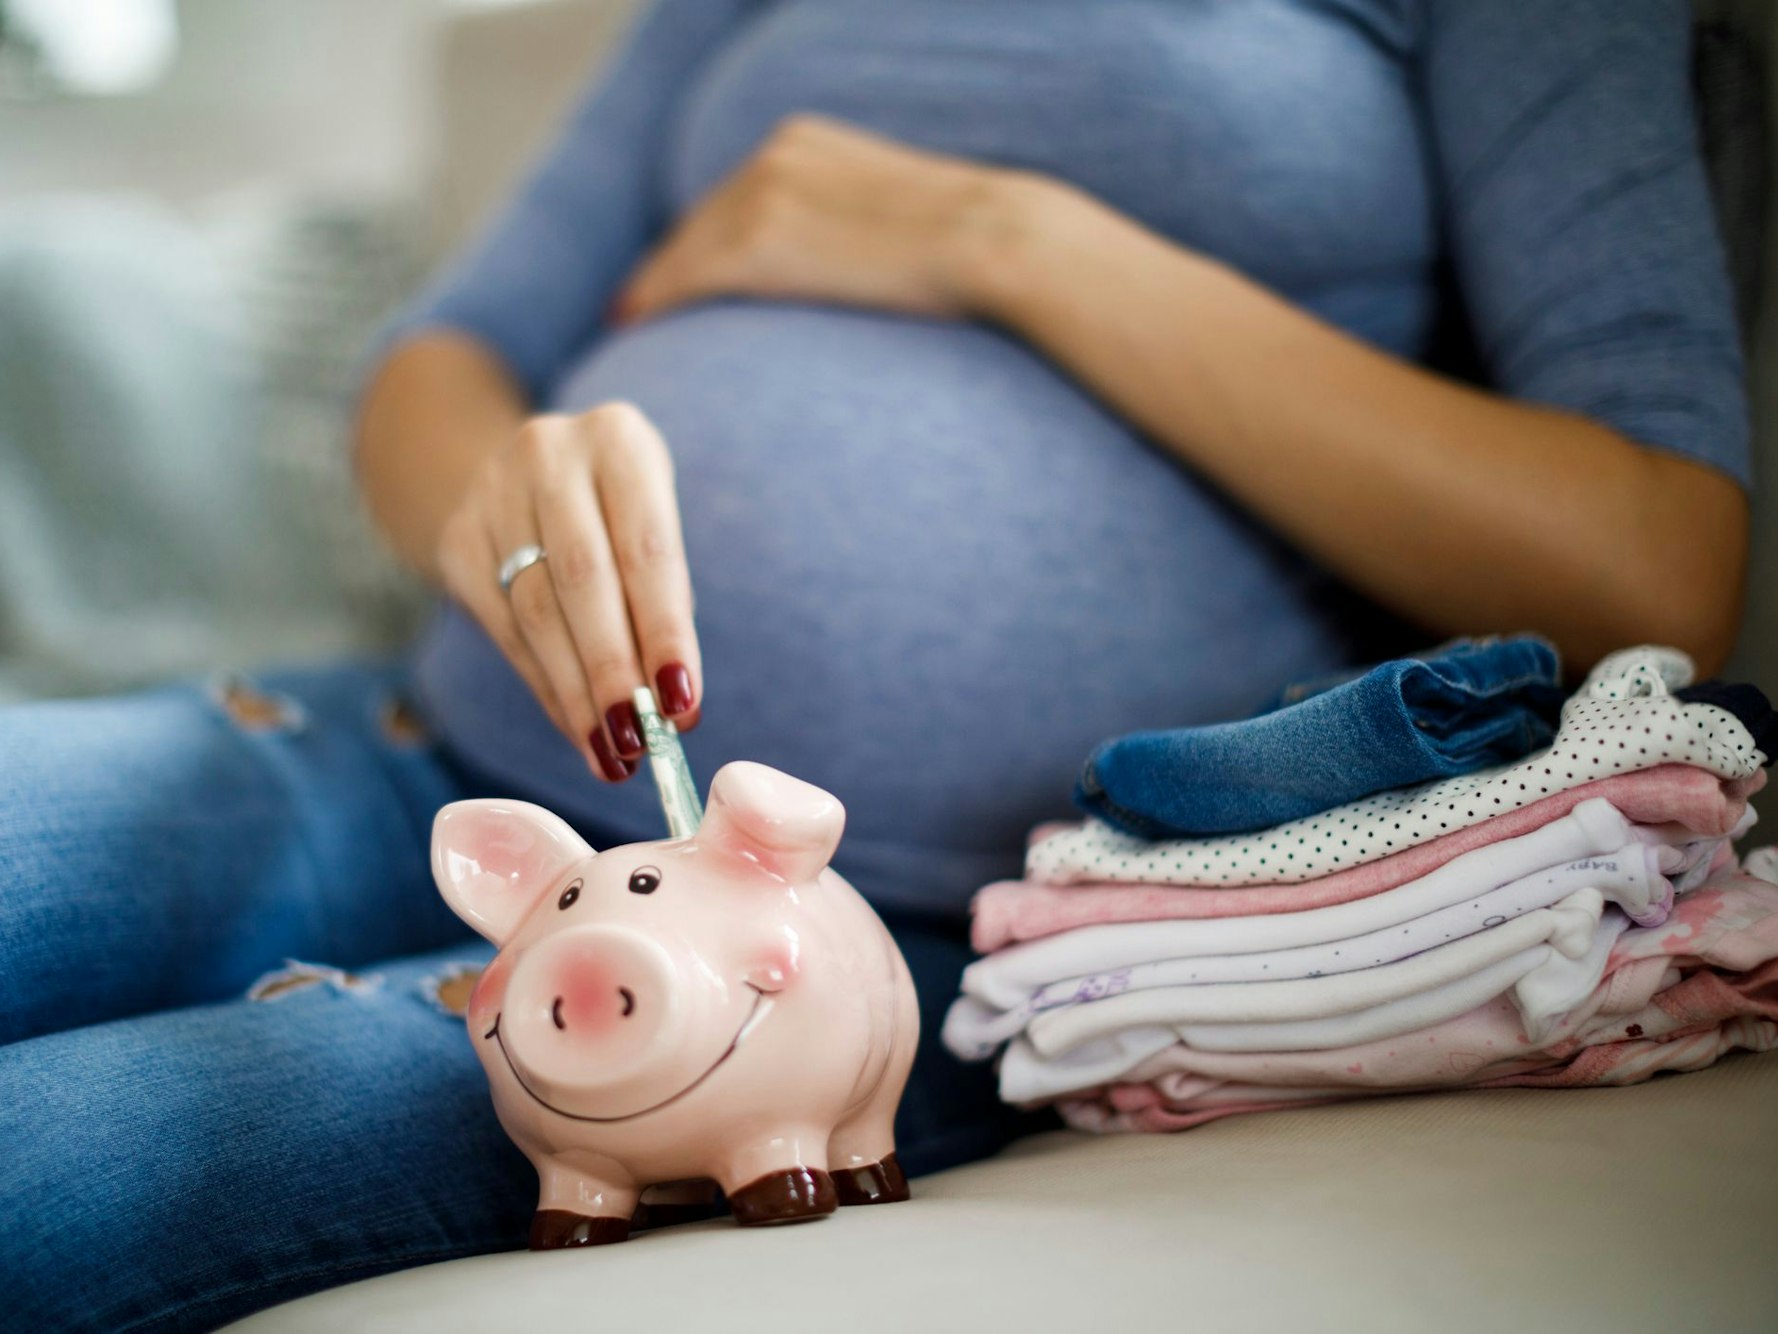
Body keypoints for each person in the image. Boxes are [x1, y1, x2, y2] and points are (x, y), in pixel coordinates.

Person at [0, 1, 1752, 1329]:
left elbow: (1652, 567)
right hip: (405, 754)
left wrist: (996, 238)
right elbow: (440, 360)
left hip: (874, 947)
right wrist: (498, 501)